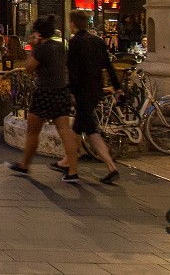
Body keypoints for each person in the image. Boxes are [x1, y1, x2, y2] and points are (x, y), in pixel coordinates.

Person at [8, 16, 81, 183]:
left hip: (44, 92)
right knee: (65, 131)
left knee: (33, 131)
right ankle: (73, 170)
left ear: (39, 33)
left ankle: (25, 164)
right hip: (61, 91)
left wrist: (34, 48)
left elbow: (28, 68)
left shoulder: (42, 48)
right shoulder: (60, 46)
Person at [64, 10, 121, 184]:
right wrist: (118, 88)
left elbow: (72, 70)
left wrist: (70, 91)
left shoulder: (75, 43)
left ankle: (110, 166)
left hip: (82, 92)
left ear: (73, 24)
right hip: (97, 90)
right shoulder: (97, 41)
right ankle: (67, 163)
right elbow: (109, 66)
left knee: (90, 131)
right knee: (80, 129)